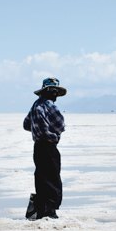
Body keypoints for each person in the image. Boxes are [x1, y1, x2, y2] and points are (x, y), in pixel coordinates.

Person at [23, 77, 66, 219]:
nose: (54, 95)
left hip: (38, 147)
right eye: (53, 91)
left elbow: (26, 124)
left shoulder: (35, 105)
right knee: (52, 177)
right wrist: (53, 134)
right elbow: (60, 124)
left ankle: (41, 210)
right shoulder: (49, 105)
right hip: (48, 145)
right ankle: (49, 211)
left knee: (42, 177)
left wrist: (37, 130)